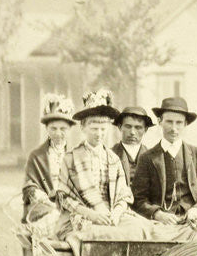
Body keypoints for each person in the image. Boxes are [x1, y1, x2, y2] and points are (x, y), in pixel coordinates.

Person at [132, 96, 197, 240]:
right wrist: (157, 214)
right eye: (169, 122)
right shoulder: (147, 158)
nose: (174, 128)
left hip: (194, 222)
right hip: (159, 224)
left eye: (179, 123)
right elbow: (138, 198)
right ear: (160, 122)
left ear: (185, 124)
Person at [56, 89, 136, 239]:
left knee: (140, 230)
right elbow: (63, 197)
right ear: (83, 128)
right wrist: (92, 214)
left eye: (103, 129)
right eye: (94, 129)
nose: (99, 134)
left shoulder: (113, 159)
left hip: (111, 217)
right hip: (81, 217)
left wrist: (117, 214)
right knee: (99, 236)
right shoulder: (71, 159)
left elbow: (124, 196)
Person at [22, 94, 75, 222]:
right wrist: (48, 203)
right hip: (44, 208)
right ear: (46, 128)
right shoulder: (37, 156)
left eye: (63, 129)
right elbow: (30, 187)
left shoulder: (76, 154)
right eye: (53, 128)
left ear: (69, 129)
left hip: (72, 207)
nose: (58, 133)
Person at [112, 105, 153, 192]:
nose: (132, 132)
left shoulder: (153, 156)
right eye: (128, 126)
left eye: (138, 127)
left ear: (145, 130)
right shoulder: (110, 154)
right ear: (120, 127)